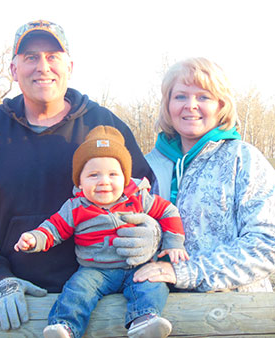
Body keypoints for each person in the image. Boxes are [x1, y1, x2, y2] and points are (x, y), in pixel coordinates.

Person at [0, 20, 161, 331]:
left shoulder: (103, 126)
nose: (42, 67)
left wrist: (151, 234)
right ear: (13, 69)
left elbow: (143, 192)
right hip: (19, 305)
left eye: (52, 56)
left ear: (69, 66)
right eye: (30, 57)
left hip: (103, 302)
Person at [14, 125, 188, 338]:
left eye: (113, 174)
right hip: (95, 271)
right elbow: (54, 228)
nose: (104, 181)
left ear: (124, 178)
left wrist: (173, 242)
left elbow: (168, 211)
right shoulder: (76, 207)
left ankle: (145, 321)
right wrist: (34, 238)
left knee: (153, 284)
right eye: (93, 175)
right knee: (77, 291)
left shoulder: (138, 199)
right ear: (80, 181)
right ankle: (64, 326)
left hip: (135, 266)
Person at [133, 57, 275, 292]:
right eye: (180, 96)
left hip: (234, 312)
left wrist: (186, 272)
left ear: (221, 106)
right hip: (157, 308)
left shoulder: (244, 160)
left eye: (203, 97)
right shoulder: (146, 166)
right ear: (167, 105)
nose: (191, 105)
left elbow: (268, 244)